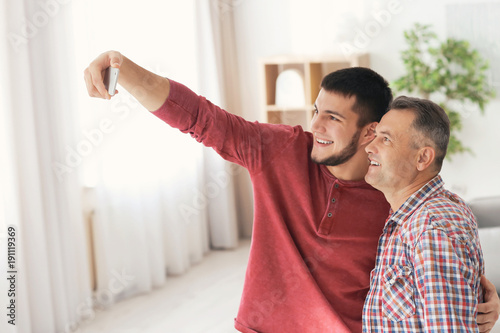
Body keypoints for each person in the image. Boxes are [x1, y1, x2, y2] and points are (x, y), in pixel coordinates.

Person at [84, 51, 500, 333]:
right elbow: (201, 117)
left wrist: (480, 292)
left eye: (332, 118)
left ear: (370, 131)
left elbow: (437, 258)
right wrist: (124, 66)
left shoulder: (393, 194)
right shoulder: (280, 149)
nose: (314, 127)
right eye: (315, 111)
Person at [362, 96, 487, 332]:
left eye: (385, 139)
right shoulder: (411, 216)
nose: (369, 147)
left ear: (422, 158)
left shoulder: (431, 227)